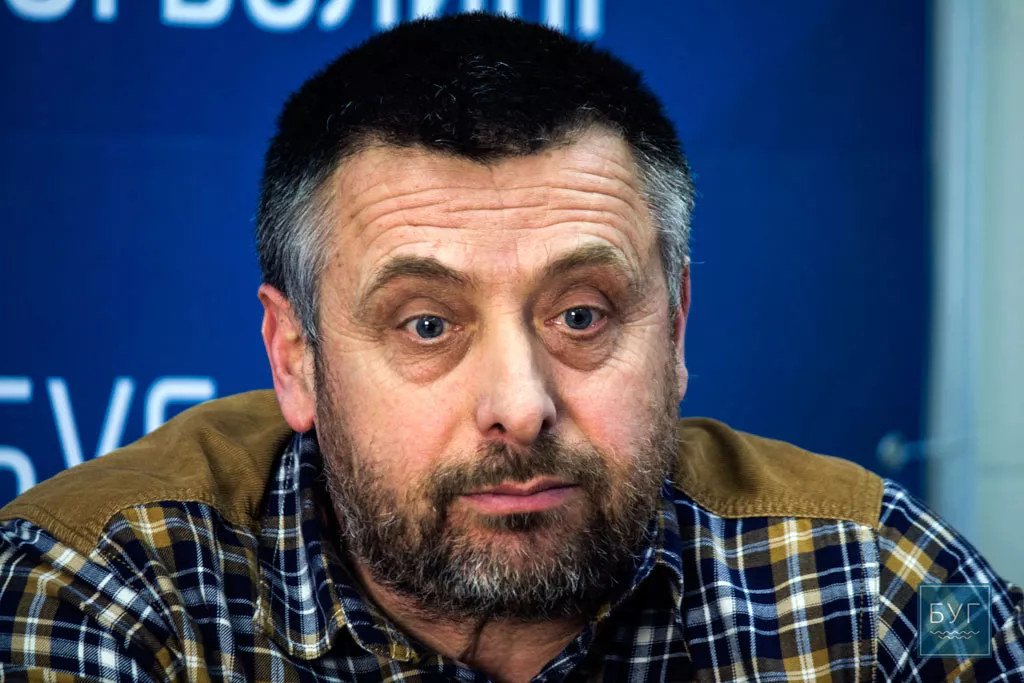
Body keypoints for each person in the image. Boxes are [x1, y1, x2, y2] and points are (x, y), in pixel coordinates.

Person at [1, 13, 1021, 683]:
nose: (521, 405)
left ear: (674, 327)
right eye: (427, 324)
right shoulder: (101, 592)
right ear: (297, 359)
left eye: (581, 315)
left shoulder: (877, 585)